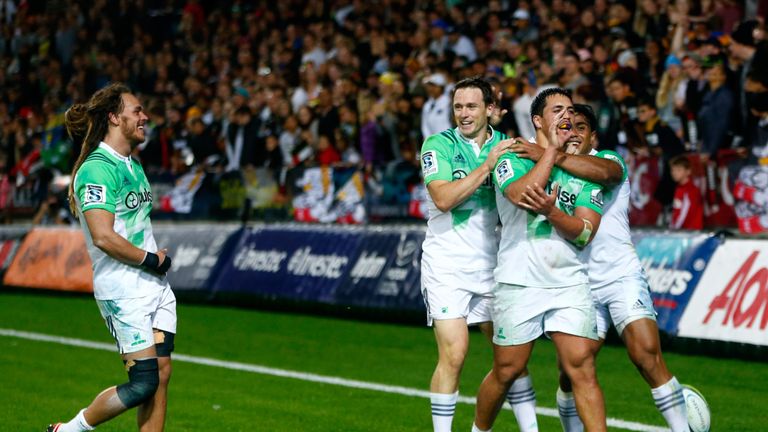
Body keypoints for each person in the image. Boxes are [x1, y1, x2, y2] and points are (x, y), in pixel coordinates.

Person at [514, 104, 690, 431]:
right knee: (572, 370)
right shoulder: (550, 170)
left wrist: (548, 153)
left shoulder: (609, 160)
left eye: (581, 127)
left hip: (620, 275)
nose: (573, 132)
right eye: (566, 126)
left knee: (647, 355)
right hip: (577, 284)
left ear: (593, 135)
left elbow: (606, 176)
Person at [474, 88, 607, 432]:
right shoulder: (511, 155)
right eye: (557, 110)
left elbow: (583, 233)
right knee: (507, 369)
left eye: (570, 111)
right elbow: (521, 195)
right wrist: (551, 152)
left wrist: (554, 212)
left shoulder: (580, 165)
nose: (565, 116)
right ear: (537, 120)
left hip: (568, 280)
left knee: (582, 366)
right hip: (520, 279)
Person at [48, 82, 176, 432]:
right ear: (114, 118)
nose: (145, 116)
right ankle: (69, 430)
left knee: (162, 375)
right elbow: (104, 236)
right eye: (136, 111)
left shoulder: (131, 164)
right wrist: (152, 259)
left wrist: (155, 266)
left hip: (155, 287)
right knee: (143, 383)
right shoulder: (97, 169)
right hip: (124, 289)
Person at [419, 76, 538, 432]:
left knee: (511, 358)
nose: (463, 114)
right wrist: (486, 167)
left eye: (471, 106)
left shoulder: (508, 145)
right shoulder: (437, 144)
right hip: (447, 263)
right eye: (458, 107)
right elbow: (442, 199)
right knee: (454, 354)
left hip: (495, 264)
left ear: (490, 109)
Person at [670, 154, 704, 230]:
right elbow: (677, 211)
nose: (674, 173)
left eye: (678, 170)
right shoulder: (679, 188)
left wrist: (674, 229)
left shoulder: (691, 190)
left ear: (688, 171)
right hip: (681, 231)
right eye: (672, 170)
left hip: (689, 232)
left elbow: (685, 213)